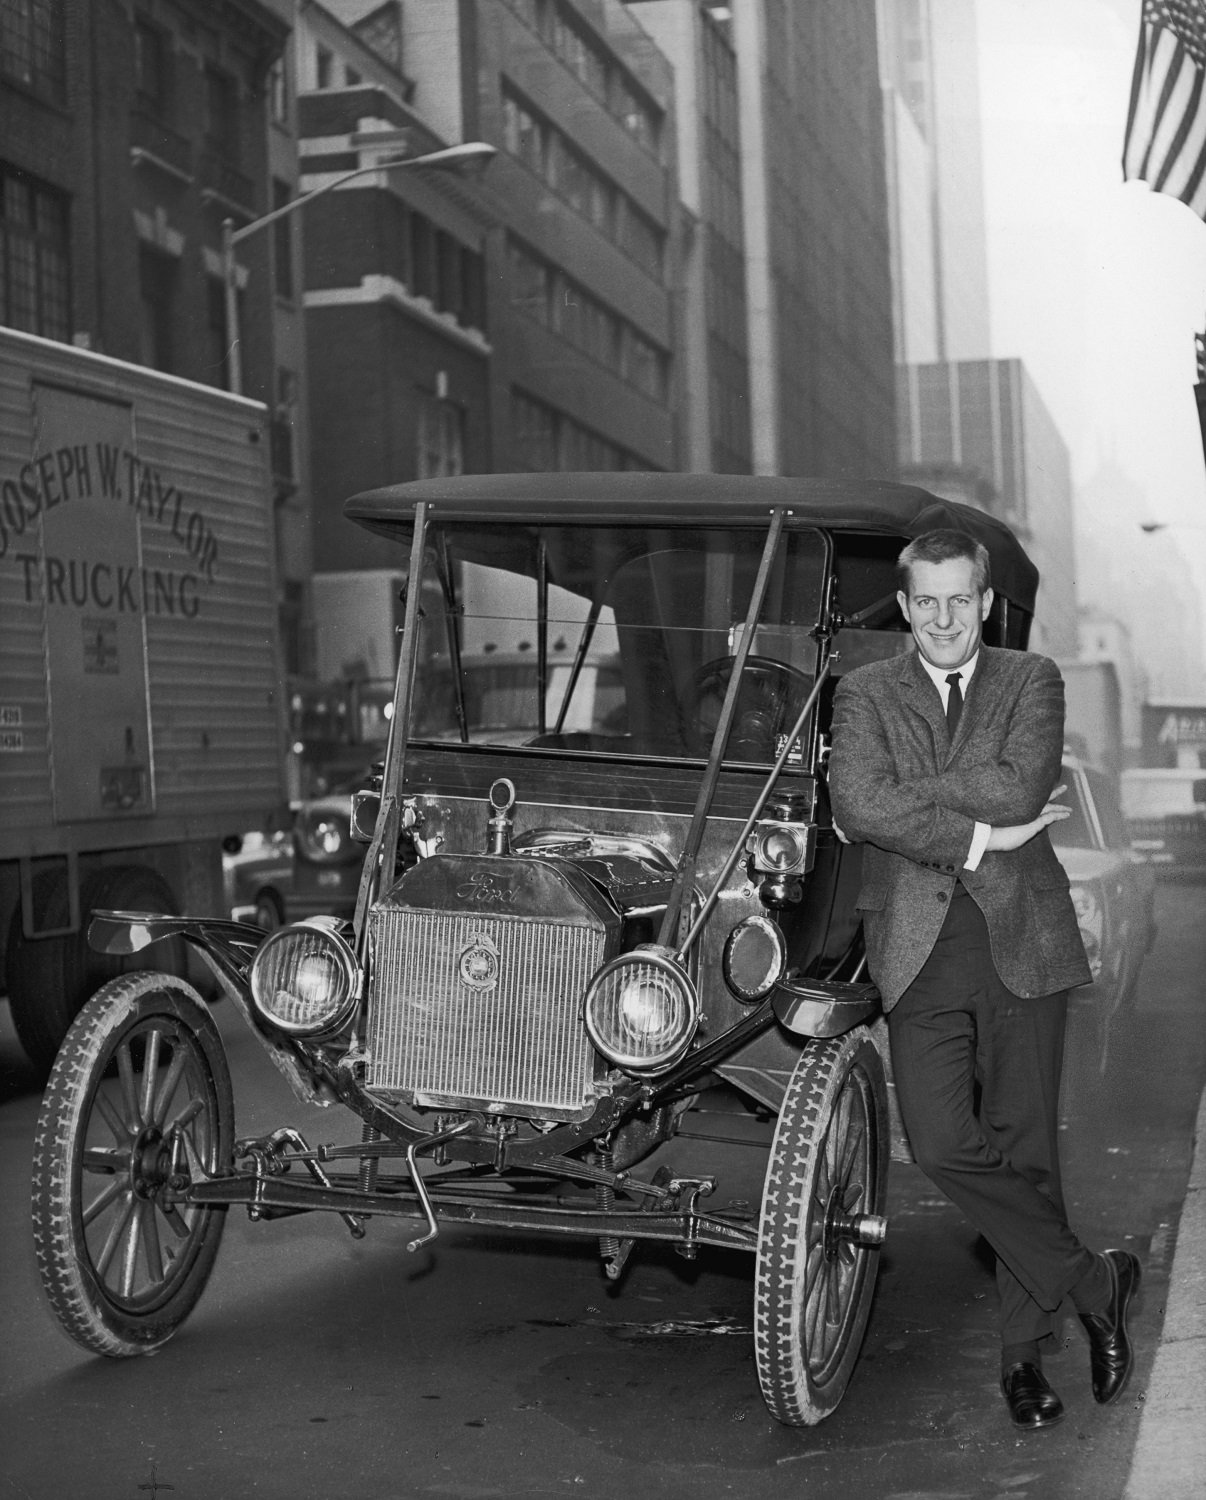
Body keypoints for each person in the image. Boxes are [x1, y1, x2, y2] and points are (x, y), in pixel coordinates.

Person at [827, 527, 1139, 1431]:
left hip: (1024, 943)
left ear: (986, 602)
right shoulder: (866, 689)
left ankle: (1021, 1361)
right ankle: (1095, 1280)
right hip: (919, 951)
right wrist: (974, 838)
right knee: (940, 1144)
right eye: (925, 601)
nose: (942, 619)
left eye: (959, 599)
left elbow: (1018, 785)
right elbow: (855, 799)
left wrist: (908, 800)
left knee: (1027, 1150)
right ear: (906, 604)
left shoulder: (1031, 680)